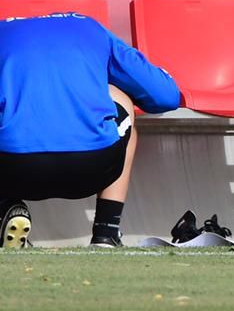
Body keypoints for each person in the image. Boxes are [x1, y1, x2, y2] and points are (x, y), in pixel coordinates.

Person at [0, 12, 182, 248]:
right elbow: (166, 97)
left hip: (11, 170)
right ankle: (106, 232)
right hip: (93, 166)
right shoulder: (90, 28)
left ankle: (5, 209)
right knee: (118, 97)